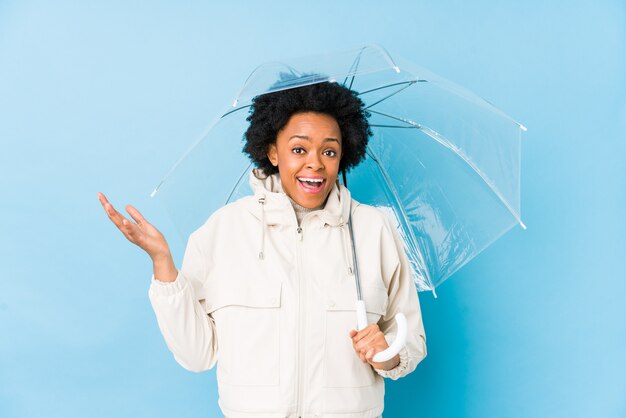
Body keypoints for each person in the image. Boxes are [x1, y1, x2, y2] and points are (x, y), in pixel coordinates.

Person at [98, 80, 427, 418]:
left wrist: (388, 353)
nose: (315, 163)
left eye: (329, 150)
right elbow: (197, 354)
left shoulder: (375, 230)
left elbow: (411, 340)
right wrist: (162, 263)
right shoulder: (225, 228)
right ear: (273, 152)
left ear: (344, 154)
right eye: (299, 149)